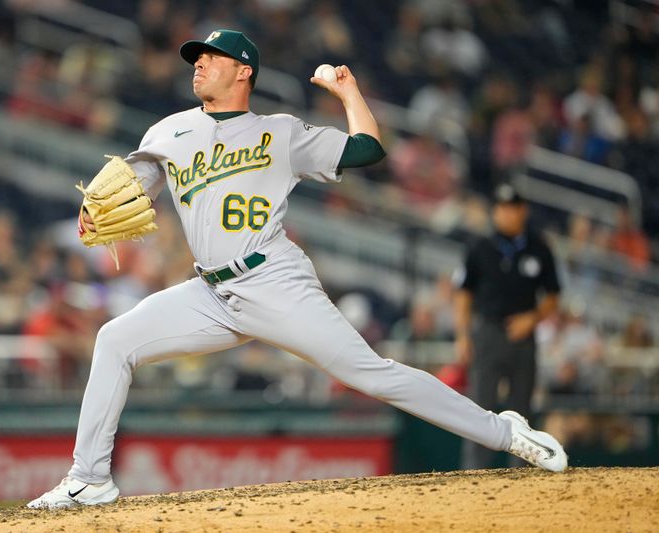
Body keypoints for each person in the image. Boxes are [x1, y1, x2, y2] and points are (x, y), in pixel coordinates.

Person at [28, 29, 567, 510]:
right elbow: (133, 188)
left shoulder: (279, 132)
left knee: (371, 374)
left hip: (274, 280)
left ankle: (505, 432)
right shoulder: (167, 132)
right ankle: (89, 479)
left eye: (212, 57)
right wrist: (94, 211)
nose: (198, 63)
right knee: (115, 339)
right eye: (197, 57)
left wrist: (347, 91)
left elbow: (368, 149)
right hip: (210, 292)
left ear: (244, 72)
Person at [453, 183, 561, 470]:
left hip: (524, 336)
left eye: (512, 209)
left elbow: (553, 297)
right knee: (480, 408)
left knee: (522, 407)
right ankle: (474, 474)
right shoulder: (480, 247)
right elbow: (464, 294)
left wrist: (532, 318)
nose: (506, 215)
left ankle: (521, 476)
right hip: (488, 332)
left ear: (523, 211)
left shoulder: (539, 248)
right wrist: (463, 335)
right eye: (501, 209)